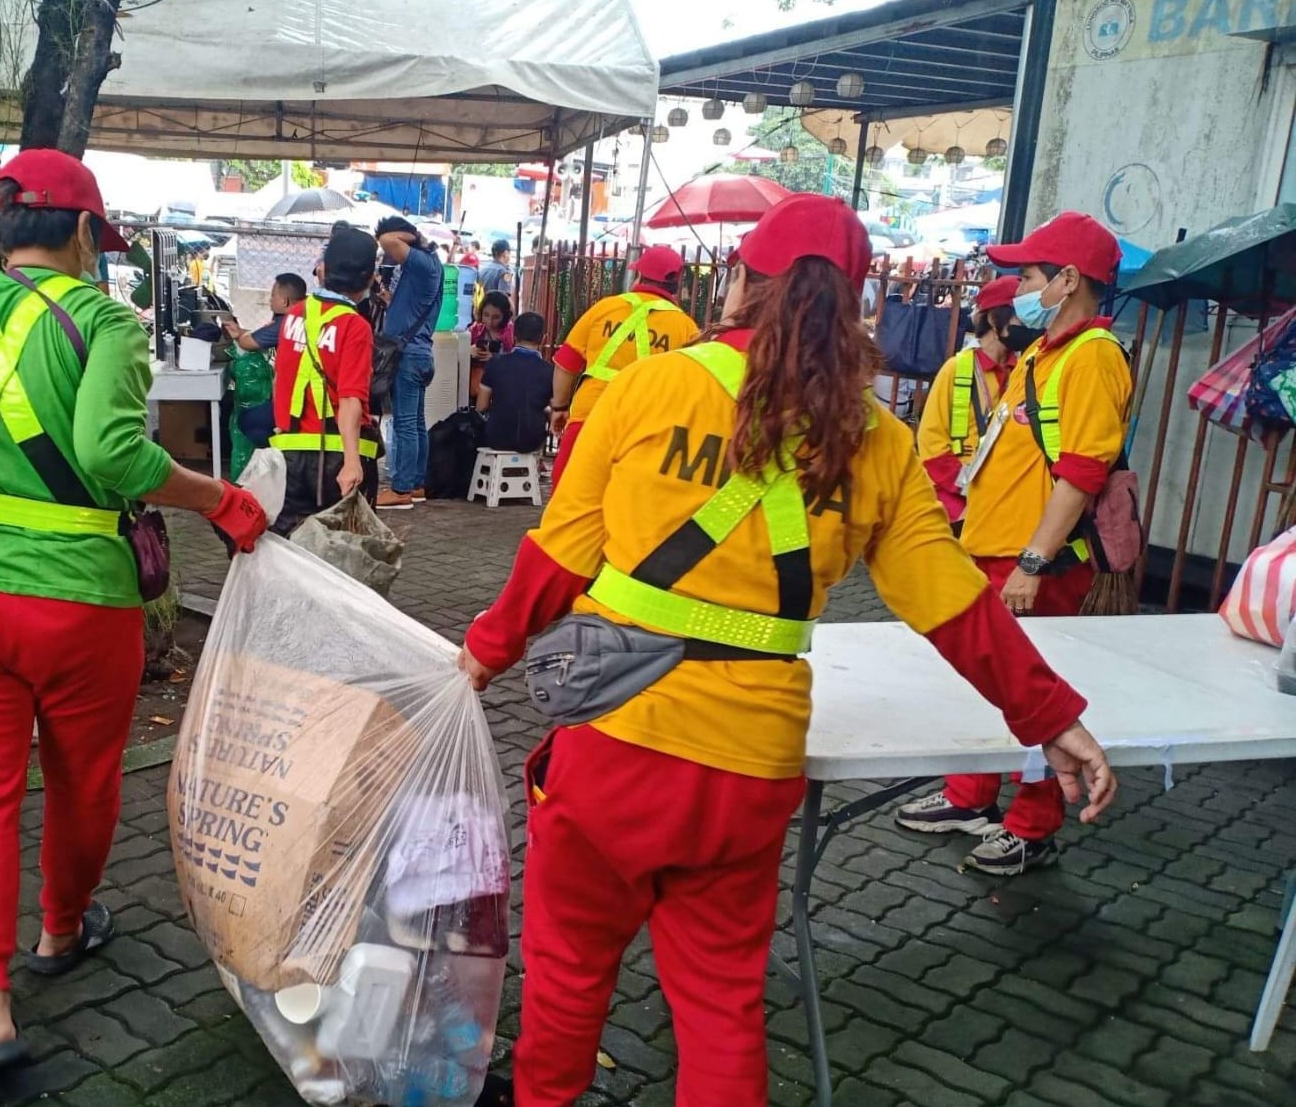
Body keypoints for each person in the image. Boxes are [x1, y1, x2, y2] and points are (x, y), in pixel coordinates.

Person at [456, 193, 1118, 1105]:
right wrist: (1054, 718)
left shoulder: (656, 385)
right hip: (751, 766)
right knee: (723, 1004)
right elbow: (958, 606)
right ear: (855, 309)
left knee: (570, 975)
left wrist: (482, 656)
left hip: (613, 744)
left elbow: (556, 559)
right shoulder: (877, 440)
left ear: (742, 284)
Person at [0, 148, 268, 1072]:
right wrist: (219, 499)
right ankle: (62, 930)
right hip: (82, 603)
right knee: (83, 781)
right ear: (82, 232)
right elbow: (112, 455)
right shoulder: (106, 320)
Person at [896, 212, 1131, 875]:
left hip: (1037, 564)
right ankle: (971, 796)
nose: (1018, 286)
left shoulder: (1092, 357)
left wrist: (1033, 559)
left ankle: (1032, 825)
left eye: (1028, 274)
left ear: (1067, 279)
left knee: (1035, 690)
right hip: (994, 550)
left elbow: (1082, 472)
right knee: (994, 683)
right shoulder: (1043, 352)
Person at [548, 244, 700, 484]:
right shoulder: (685, 327)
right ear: (677, 285)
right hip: (644, 431)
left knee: (566, 503)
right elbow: (688, 389)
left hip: (590, 416)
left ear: (638, 275)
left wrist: (559, 408)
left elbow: (566, 364)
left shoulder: (604, 309)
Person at [269, 223, 384, 535]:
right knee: (338, 551)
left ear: (324, 268)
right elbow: (349, 399)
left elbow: (281, 377)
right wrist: (352, 462)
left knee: (289, 546)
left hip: (289, 452)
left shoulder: (295, 314)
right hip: (334, 460)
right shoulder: (354, 326)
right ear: (369, 277)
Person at [915, 274, 1024, 526]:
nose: (1025, 323)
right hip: (954, 501)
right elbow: (931, 443)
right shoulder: (956, 369)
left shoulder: (1021, 372)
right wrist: (966, 489)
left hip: (1001, 501)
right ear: (993, 318)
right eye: (1018, 315)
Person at [375, 215, 443, 510]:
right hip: (420, 354)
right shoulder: (424, 267)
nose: (389, 254)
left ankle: (401, 489)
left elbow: (388, 240)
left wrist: (405, 236)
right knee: (415, 423)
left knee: (404, 423)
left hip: (410, 356)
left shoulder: (422, 263)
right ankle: (415, 484)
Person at [222, 273, 308, 451]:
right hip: (305, 394)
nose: (269, 300)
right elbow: (258, 336)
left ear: (284, 301)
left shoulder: (287, 320)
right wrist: (241, 332)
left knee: (250, 420)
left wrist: (239, 335)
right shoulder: (303, 315)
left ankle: (282, 452)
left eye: (272, 295)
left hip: (297, 401)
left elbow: (248, 343)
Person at [476, 311, 551, 454]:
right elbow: (555, 411)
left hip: (496, 438)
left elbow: (481, 406)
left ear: (513, 336)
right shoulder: (550, 371)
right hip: (532, 441)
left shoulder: (495, 363)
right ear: (543, 339)